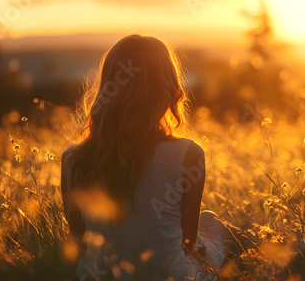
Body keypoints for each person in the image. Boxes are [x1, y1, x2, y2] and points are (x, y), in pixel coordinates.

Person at [60, 34, 231, 280]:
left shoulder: (72, 159)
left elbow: (80, 244)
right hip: (172, 276)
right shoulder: (188, 154)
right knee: (215, 224)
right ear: (169, 91)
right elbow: (187, 243)